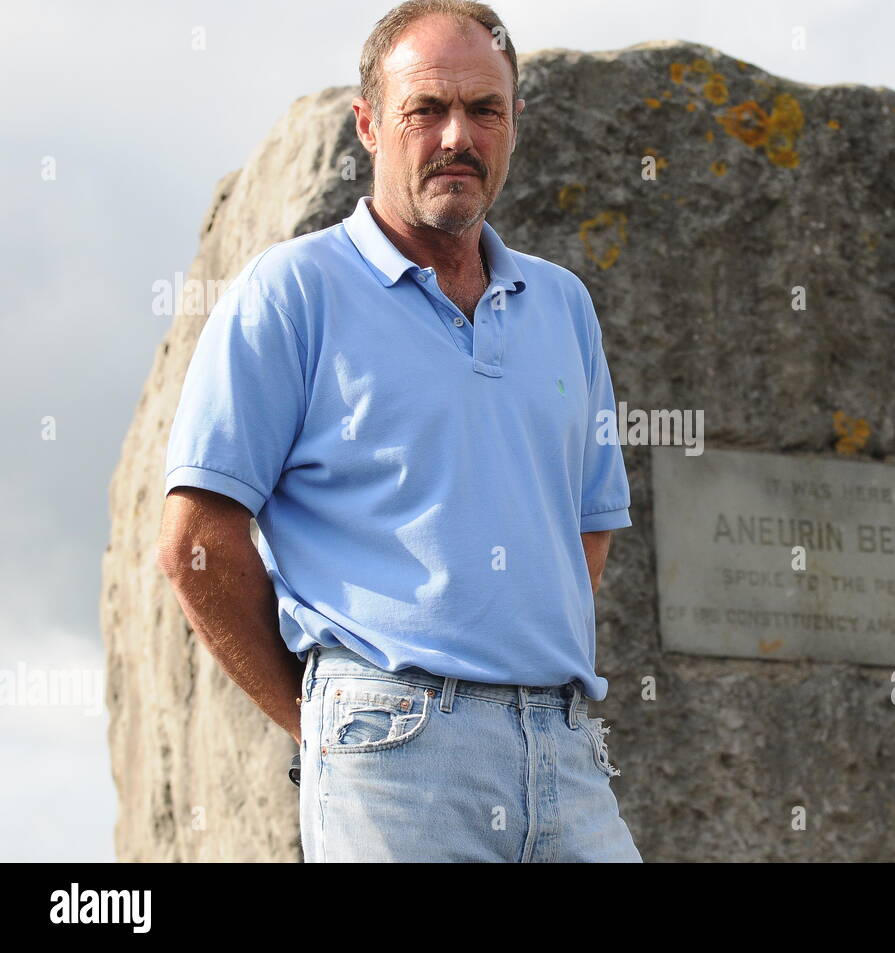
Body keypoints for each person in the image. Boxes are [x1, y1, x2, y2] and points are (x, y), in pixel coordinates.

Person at [156, 0, 641, 862]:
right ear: (370, 123)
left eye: (485, 109)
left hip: (567, 752)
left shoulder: (564, 305)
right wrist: (320, 722)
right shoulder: (292, 292)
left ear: (514, 123)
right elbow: (196, 540)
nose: (458, 135)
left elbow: (586, 531)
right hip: (390, 750)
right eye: (427, 109)